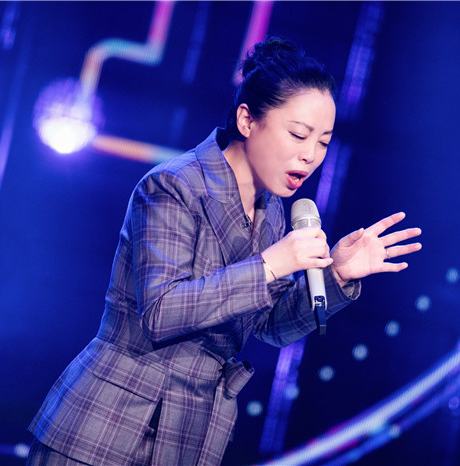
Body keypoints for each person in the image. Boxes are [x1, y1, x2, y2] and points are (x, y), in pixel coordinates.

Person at [27, 37, 422, 466]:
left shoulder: (272, 213)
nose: (310, 156)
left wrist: (337, 275)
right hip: (110, 430)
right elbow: (161, 311)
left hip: (188, 435)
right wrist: (270, 264)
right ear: (247, 119)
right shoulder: (174, 185)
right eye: (298, 134)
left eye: (323, 142)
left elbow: (270, 326)